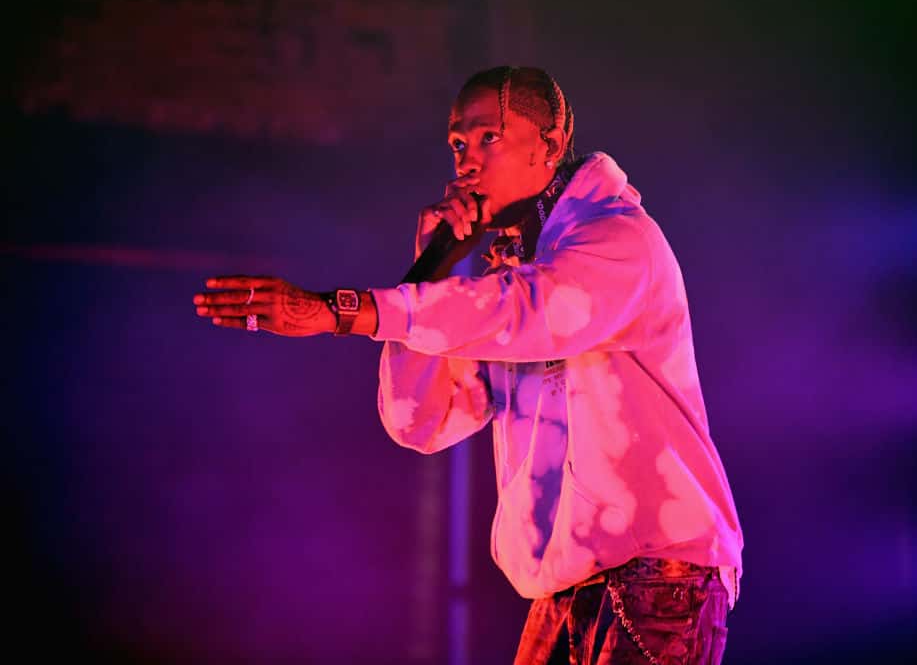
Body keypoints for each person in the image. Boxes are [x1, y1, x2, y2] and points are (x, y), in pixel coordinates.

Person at [193, 66, 743, 664]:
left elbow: (529, 313)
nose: (467, 161)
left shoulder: (619, 240)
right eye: (458, 143)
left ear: (551, 144)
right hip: (565, 586)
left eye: (489, 138)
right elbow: (423, 422)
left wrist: (339, 312)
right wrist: (431, 268)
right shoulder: (501, 278)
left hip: (659, 574)